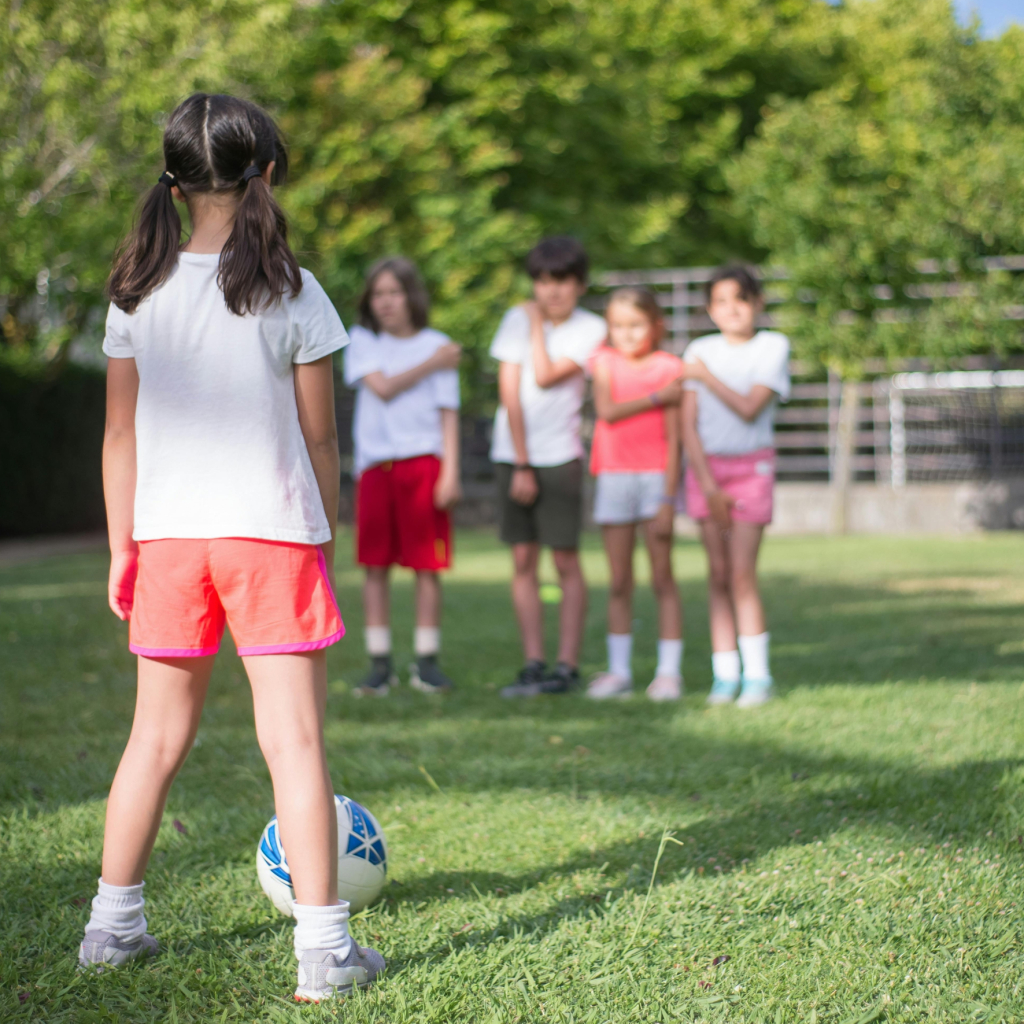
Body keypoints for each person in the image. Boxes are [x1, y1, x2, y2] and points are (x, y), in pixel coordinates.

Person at [81, 92, 383, 1002]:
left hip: (167, 540)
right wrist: (320, 533)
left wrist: (119, 548)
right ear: (268, 173)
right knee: (294, 744)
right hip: (271, 539)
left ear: (173, 184)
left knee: (152, 741)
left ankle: (111, 929)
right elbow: (322, 439)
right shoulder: (293, 287)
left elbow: (119, 440)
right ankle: (324, 953)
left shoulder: (135, 291)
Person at [492, 237, 607, 698]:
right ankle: (534, 660)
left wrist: (537, 324)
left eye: (561, 281)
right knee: (523, 559)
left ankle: (567, 664)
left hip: (560, 456)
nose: (551, 290)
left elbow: (543, 374)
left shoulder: (592, 328)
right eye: (542, 281)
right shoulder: (513, 319)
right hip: (513, 455)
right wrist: (521, 461)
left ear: (579, 284)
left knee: (564, 559)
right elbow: (510, 391)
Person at [343, 257, 462, 696]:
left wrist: (451, 471)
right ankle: (379, 664)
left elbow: (448, 414)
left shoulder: (438, 343)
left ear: (411, 295)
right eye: (378, 294)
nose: (386, 302)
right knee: (375, 566)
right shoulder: (363, 341)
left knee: (426, 567)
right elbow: (383, 387)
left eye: (394, 292)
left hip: (423, 464)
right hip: (377, 466)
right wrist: (433, 363)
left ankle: (427, 662)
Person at [681, 264, 790, 708]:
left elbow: (749, 407)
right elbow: (687, 425)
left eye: (740, 300)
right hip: (707, 474)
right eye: (721, 301)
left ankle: (758, 676)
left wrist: (707, 378)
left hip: (751, 470)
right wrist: (707, 484)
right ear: (709, 308)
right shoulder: (699, 348)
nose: (732, 310)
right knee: (719, 575)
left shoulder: (772, 346)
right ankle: (724, 674)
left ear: (757, 303)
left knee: (742, 574)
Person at [586, 287, 688, 702]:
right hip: (613, 477)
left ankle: (668, 673)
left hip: (655, 480)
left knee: (662, 577)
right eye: (618, 325)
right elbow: (607, 411)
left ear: (656, 325)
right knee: (619, 580)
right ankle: (619, 671)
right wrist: (654, 397)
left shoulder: (670, 368)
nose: (626, 334)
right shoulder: (603, 362)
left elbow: (675, 438)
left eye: (636, 325)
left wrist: (667, 498)